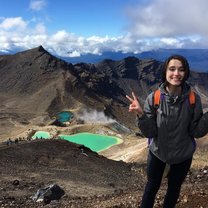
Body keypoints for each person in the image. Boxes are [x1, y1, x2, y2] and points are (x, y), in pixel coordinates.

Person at [126, 54, 208, 208]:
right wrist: (140, 114)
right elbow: (150, 133)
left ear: (186, 73)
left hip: (183, 156)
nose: (176, 73)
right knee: (151, 188)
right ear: (165, 72)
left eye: (181, 69)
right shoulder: (154, 98)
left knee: (173, 190)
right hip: (158, 154)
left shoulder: (193, 99)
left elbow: (196, 131)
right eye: (172, 69)